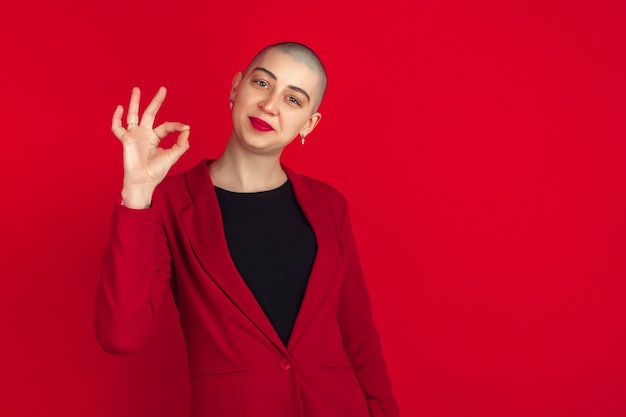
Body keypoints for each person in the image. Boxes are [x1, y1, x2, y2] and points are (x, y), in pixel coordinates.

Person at [95, 42, 400, 417]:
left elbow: (360, 338)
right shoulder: (171, 204)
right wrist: (138, 192)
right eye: (261, 83)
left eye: (293, 99)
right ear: (235, 87)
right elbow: (121, 336)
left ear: (309, 123)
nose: (269, 105)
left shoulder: (329, 205)